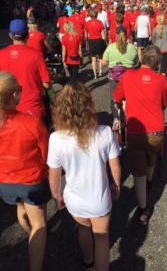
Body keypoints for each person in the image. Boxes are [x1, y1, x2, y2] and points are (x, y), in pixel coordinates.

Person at [47, 83, 121, 271]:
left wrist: (56, 196)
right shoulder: (104, 132)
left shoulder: (56, 138)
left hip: (75, 200)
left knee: (83, 228)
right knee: (102, 238)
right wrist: (116, 185)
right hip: (99, 199)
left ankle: (88, 259)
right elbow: (115, 165)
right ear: (89, 106)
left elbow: (54, 174)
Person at [0, 72, 51, 271]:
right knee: (40, 225)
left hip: (5, 182)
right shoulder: (31, 122)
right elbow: (46, 154)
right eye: (19, 90)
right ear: (13, 95)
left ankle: (27, 225)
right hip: (31, 181)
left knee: (21, 206)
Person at [113, 46, 167, 224]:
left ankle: (144, 208)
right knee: (151, 154)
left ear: (141, 57)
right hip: (157, 130)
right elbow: (164, 103)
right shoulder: (161, 80)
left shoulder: (128, 76)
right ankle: (151, 181)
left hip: (136, 131)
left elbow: (116, 98)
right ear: (158, 63)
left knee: (138, 172)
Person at [0, 19, 50, 119]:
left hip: (8, 111)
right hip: (33, 110)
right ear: (27, 35)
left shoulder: (1, 54)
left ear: (10, 35)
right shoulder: (36, 54)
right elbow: (47, 84)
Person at [102, 25, 137, 130]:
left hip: (114, 78)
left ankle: (116, 119)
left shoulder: (110, 47)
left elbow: (104, 62)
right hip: (129, 77)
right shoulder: (131, 47)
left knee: (114, 98)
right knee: (128, 98)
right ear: (127, 35)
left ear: (116, 35)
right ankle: (128, 117)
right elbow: (136, 62)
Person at [85, 8, 106, 79]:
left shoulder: (87, 23)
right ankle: (100, 71)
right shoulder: (100, 22)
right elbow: (103, 33)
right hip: (99, 40)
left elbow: (86, 34)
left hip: (91, 41)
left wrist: (86, 41)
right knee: (100, 57)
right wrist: (104, 41)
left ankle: (94, 74)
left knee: (93, 59)